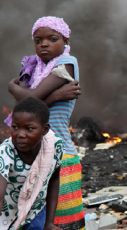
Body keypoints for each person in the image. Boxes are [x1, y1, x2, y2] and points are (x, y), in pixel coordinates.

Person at [6, 16, 86, 229]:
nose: (44, 44)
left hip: (60, 153)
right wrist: (55, 97)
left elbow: (31, 99)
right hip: (29, 155)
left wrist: (13, 88)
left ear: (65, 41)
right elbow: (25, 111)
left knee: (63, 220)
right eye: (38, 40)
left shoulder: (66, 63)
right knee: (31, 220)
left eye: (52, 39)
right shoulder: (32, 66)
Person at [0, 97, 63, 230]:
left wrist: (49, 223)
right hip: (7, 215)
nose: (21, 134)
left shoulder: (53, 146)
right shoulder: (6, 151)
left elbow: (54, 179)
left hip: (36, 210)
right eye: (15, 127)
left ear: (44, 130)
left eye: (29, 128)